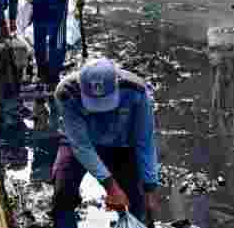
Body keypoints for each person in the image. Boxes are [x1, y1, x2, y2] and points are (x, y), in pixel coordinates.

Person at [52, 58, 160, 228]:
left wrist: (150, 186)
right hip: (80, 142)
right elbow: (81, 146)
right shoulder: (66, 93)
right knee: (62, 192)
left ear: (117, 84)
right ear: (81, 88)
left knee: (137, 203)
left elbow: (144, 141)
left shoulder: (136, 92)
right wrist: (111, 187)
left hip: (122, 144)